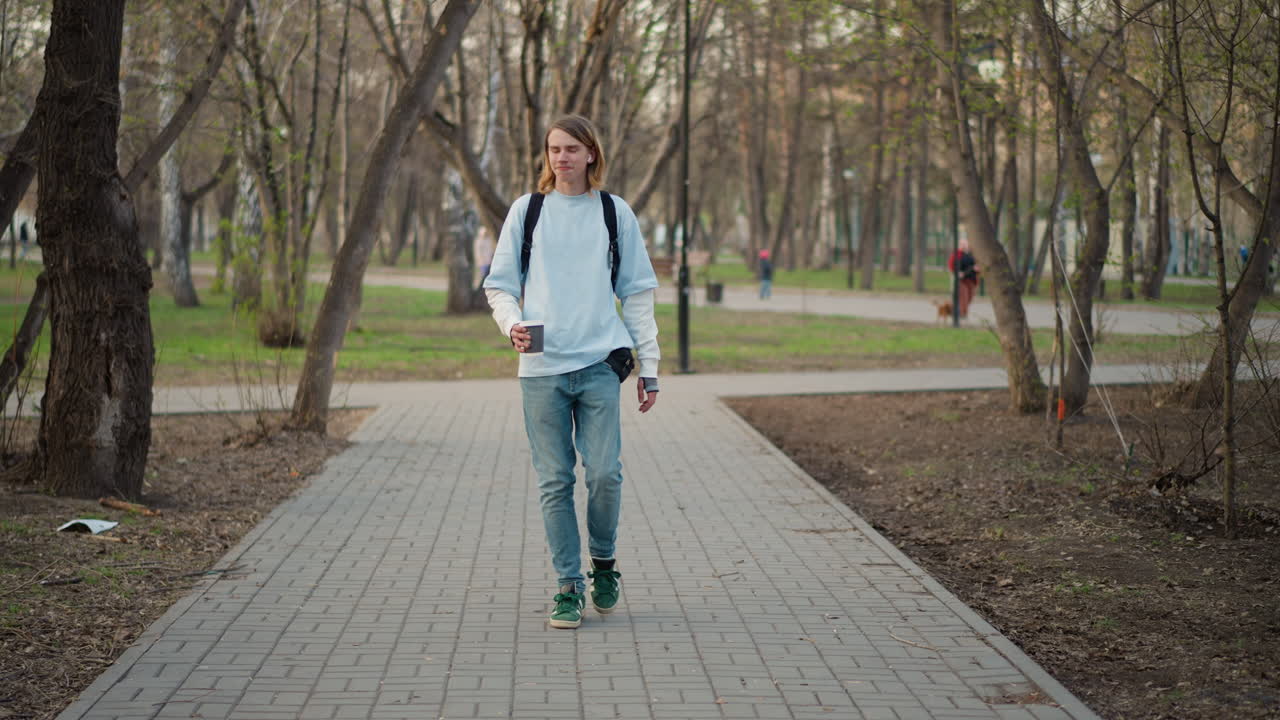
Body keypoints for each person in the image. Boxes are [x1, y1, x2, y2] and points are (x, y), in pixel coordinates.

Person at [483, 115, 661, 629]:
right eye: (553, 149)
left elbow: (638, 294)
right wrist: (511, 324)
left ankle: (603, 562)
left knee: (605, 473)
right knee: (556, 480)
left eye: (571, 148)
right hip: (541, 370)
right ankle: (568, 586)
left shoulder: (613, 212)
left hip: (601, 364)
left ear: (591, 154)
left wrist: (649, 367)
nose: (561, 157)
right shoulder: (528, 211)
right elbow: (499, 284)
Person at [947, 239, 979, 318]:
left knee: (970, 297)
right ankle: (962, 314)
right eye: (962, 244)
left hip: (972, 279)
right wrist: (957, 273)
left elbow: (978, 265)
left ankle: (952, 309)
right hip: (961, 280)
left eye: (965, 244)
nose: (964, 246)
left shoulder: (972, 254)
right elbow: (951, 265)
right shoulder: (957, 254)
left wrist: (977, 269)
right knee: (963, 297)